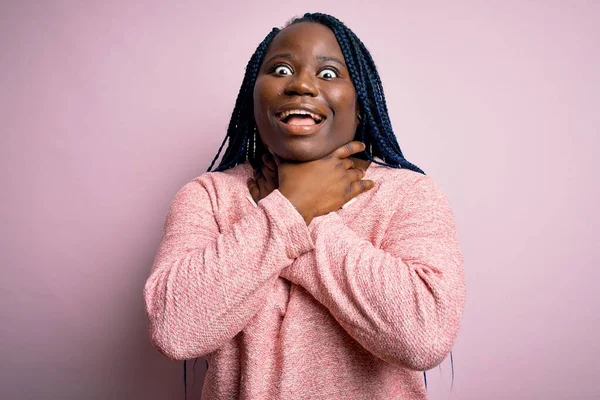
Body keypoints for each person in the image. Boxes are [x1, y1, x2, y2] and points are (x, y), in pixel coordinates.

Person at [144, 12, 466, 400]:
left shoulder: (409, 195)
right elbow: (175, 329)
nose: (300, 84)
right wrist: (291, 207)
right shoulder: (208, 196)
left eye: (328, 74)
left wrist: (300, 217)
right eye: (280, 69)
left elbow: (424, 337)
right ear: (254, 95)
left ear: (360, 104)